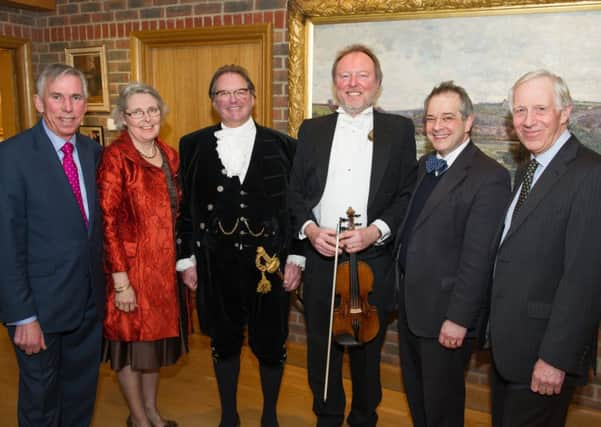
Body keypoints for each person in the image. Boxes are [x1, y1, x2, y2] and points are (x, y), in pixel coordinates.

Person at [288, 44, 417, 426]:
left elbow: (406, 193)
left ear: (377, 85)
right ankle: (327, 416)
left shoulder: (399, 130)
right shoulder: (311, 130)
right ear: (335, 84)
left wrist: (377, 231)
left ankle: (364, 417)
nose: (353, 83)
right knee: (321, 348)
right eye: (344, 76)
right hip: (322, 259)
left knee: (366, 350)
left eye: (362, 75)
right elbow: (294, 194)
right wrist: (309, 231)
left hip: (372, 261)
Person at [176, 64, 302, 427]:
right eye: (223, 93)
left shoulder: (284, 146)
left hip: (271, 265)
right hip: (216, 264)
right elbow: (185, 209)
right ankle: (229, 416)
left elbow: (296, 209)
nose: (232, 100)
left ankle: (269, 417)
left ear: (253, 97)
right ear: (213, 101)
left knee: (270, 343)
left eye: (239, 92)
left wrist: (296, 256)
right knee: (224, 341)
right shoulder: (193, 145)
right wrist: (186, 260)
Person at [394, 81, 510, 427]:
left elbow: (478, 258)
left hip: (446, 316)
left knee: (442, 410)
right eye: (430, 118)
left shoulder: (490, 176)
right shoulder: (426, 165)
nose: (437, 126)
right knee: (418, 400)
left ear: (468, 122)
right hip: (412, 308)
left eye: (448, 117)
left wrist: (459, 318)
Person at [490, 70, 601, 427]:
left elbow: (585, 279)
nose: (528, 121)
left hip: (544, 354)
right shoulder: (527, 168)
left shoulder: (590, 173)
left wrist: (555, 358)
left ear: (564, 112)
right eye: (520, 111)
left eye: (540, 109)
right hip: (511, 349)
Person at [0, 63, 105, 426]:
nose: (67, 107)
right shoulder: (11, 157)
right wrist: (21, 317)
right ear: (39, 103)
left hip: (88, 308)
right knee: (41, 404)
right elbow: (5, 244)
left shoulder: (94, 154)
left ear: (85, 104)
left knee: (80, 398)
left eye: (76, 97)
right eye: (57, 97)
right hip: (39, 313)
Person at [98, 83, 191, 427]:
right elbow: (107, 222)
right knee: (130, 349)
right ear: (123, 117)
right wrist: (121, 282)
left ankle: (152, 411)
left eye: (152, 110)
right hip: (131, 273)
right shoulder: (116, 157)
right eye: (137, 111)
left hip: (163, 272)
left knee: (153, 350)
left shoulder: (168, 154)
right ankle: (138, 418)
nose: (146, 117)